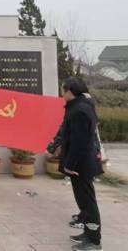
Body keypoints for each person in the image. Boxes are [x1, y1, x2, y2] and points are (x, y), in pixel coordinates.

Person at [61, 77, 104, 251]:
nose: (62, 94)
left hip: (81, 165)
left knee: (87, 202)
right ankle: (88, 232)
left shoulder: (79, 110)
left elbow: (79, 142)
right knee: (83, 201)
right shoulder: (81, 106)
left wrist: (70, 165)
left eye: (63, 91)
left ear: (70, 92)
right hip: (82, 163)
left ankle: (94, 241)